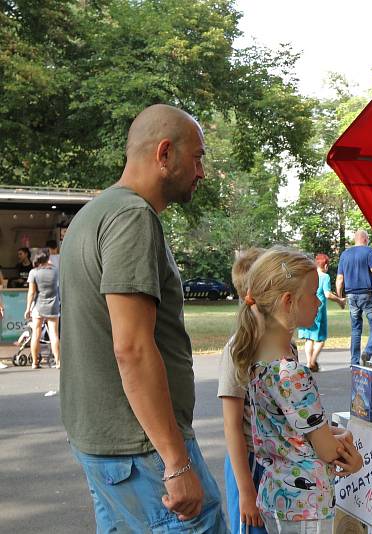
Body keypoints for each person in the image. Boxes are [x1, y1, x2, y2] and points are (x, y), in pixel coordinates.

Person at [59, 104, 226, 531]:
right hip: (142, 451)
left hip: (105, 445)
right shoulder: (133, 216)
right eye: (198, 157)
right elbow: (131, 347)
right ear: (165, 154)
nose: (202, 171)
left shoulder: (91, 216)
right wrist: (175, 460)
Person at [230, 246, 363, 531]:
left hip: (277, 497)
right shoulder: (291, 373)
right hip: (306, 506)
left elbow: (291, 432)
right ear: (288, 301)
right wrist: (350, 454)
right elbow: (326, 451)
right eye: (313, 294)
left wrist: (331, 433)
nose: (318, 302)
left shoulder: (257, 362)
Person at [218, 247, 268, 534]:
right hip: (248, 467)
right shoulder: (238, 351)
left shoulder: (287, 347)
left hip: (281, 465)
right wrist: (246, 493)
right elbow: (232, 427)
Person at [335, 230, 372, 366]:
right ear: (366, 239)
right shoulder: (368, 251)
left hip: (351, 296)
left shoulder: (344, 254)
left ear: (355, 240)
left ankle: (354, 362)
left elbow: (339, 279)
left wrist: (340, 296)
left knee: (355, 329)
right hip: (368, 295)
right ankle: (368, 351)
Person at [298, 253, 345, 372]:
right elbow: (327, 294)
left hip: (306, 308)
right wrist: (339, 300)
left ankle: (309, 362)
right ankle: (312, 362)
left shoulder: (307, 275)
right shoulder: (325, 276)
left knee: (309, 339)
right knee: (320, 339)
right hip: (318, 311)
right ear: (326, 265)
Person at [24, 250, 61, 369]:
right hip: (53, 306)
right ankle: (58, 361)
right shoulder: (55, 271)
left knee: (36, 334)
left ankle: (35, 363)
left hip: (38, 306)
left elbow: (31, 292)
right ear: (47, 259)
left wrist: (28, 308)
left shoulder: (33, 272)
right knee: (54, 335)